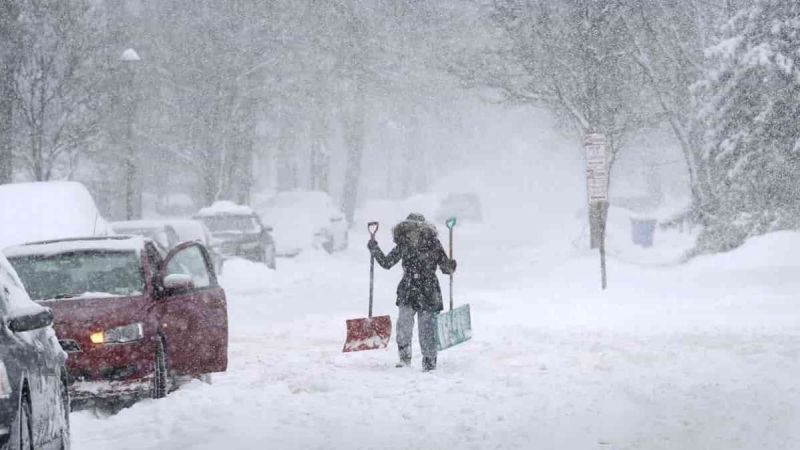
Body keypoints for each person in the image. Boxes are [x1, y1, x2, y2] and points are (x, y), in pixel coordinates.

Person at [368, 213, 456, 371]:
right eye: (410, 228)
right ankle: (404, 357)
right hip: (409, 289)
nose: (413, 231)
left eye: (416, 228)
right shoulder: (404, 244)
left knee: (427, 328)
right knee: (404, 324)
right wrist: (375, 249)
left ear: (424, 229)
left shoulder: (433, 243)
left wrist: (450, 266)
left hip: (428, 291)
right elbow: (387, 263)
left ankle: (429, 361)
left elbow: (444, 267)